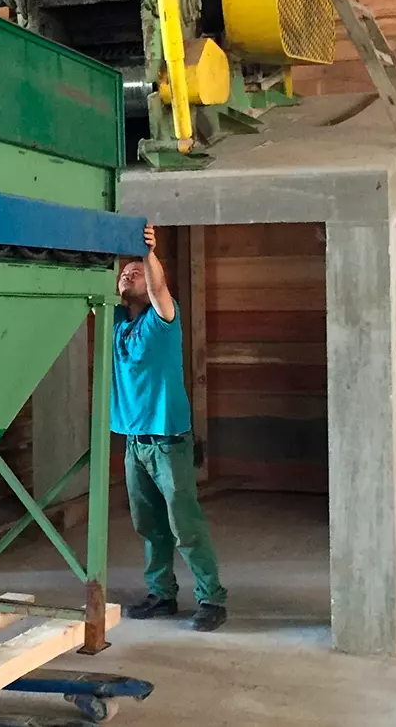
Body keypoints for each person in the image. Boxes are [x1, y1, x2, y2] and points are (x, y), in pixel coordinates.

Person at [112, 224, 228, 632]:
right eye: (124, 273)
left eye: (136, 272)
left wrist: (147, 252)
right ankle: (161, 594)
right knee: (149, 526)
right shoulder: (118, 325)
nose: (128, 275)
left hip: (167, 442)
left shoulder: (163, 318)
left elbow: (158, 287)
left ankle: (211, 599)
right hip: (134, 443)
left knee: (185, 526)